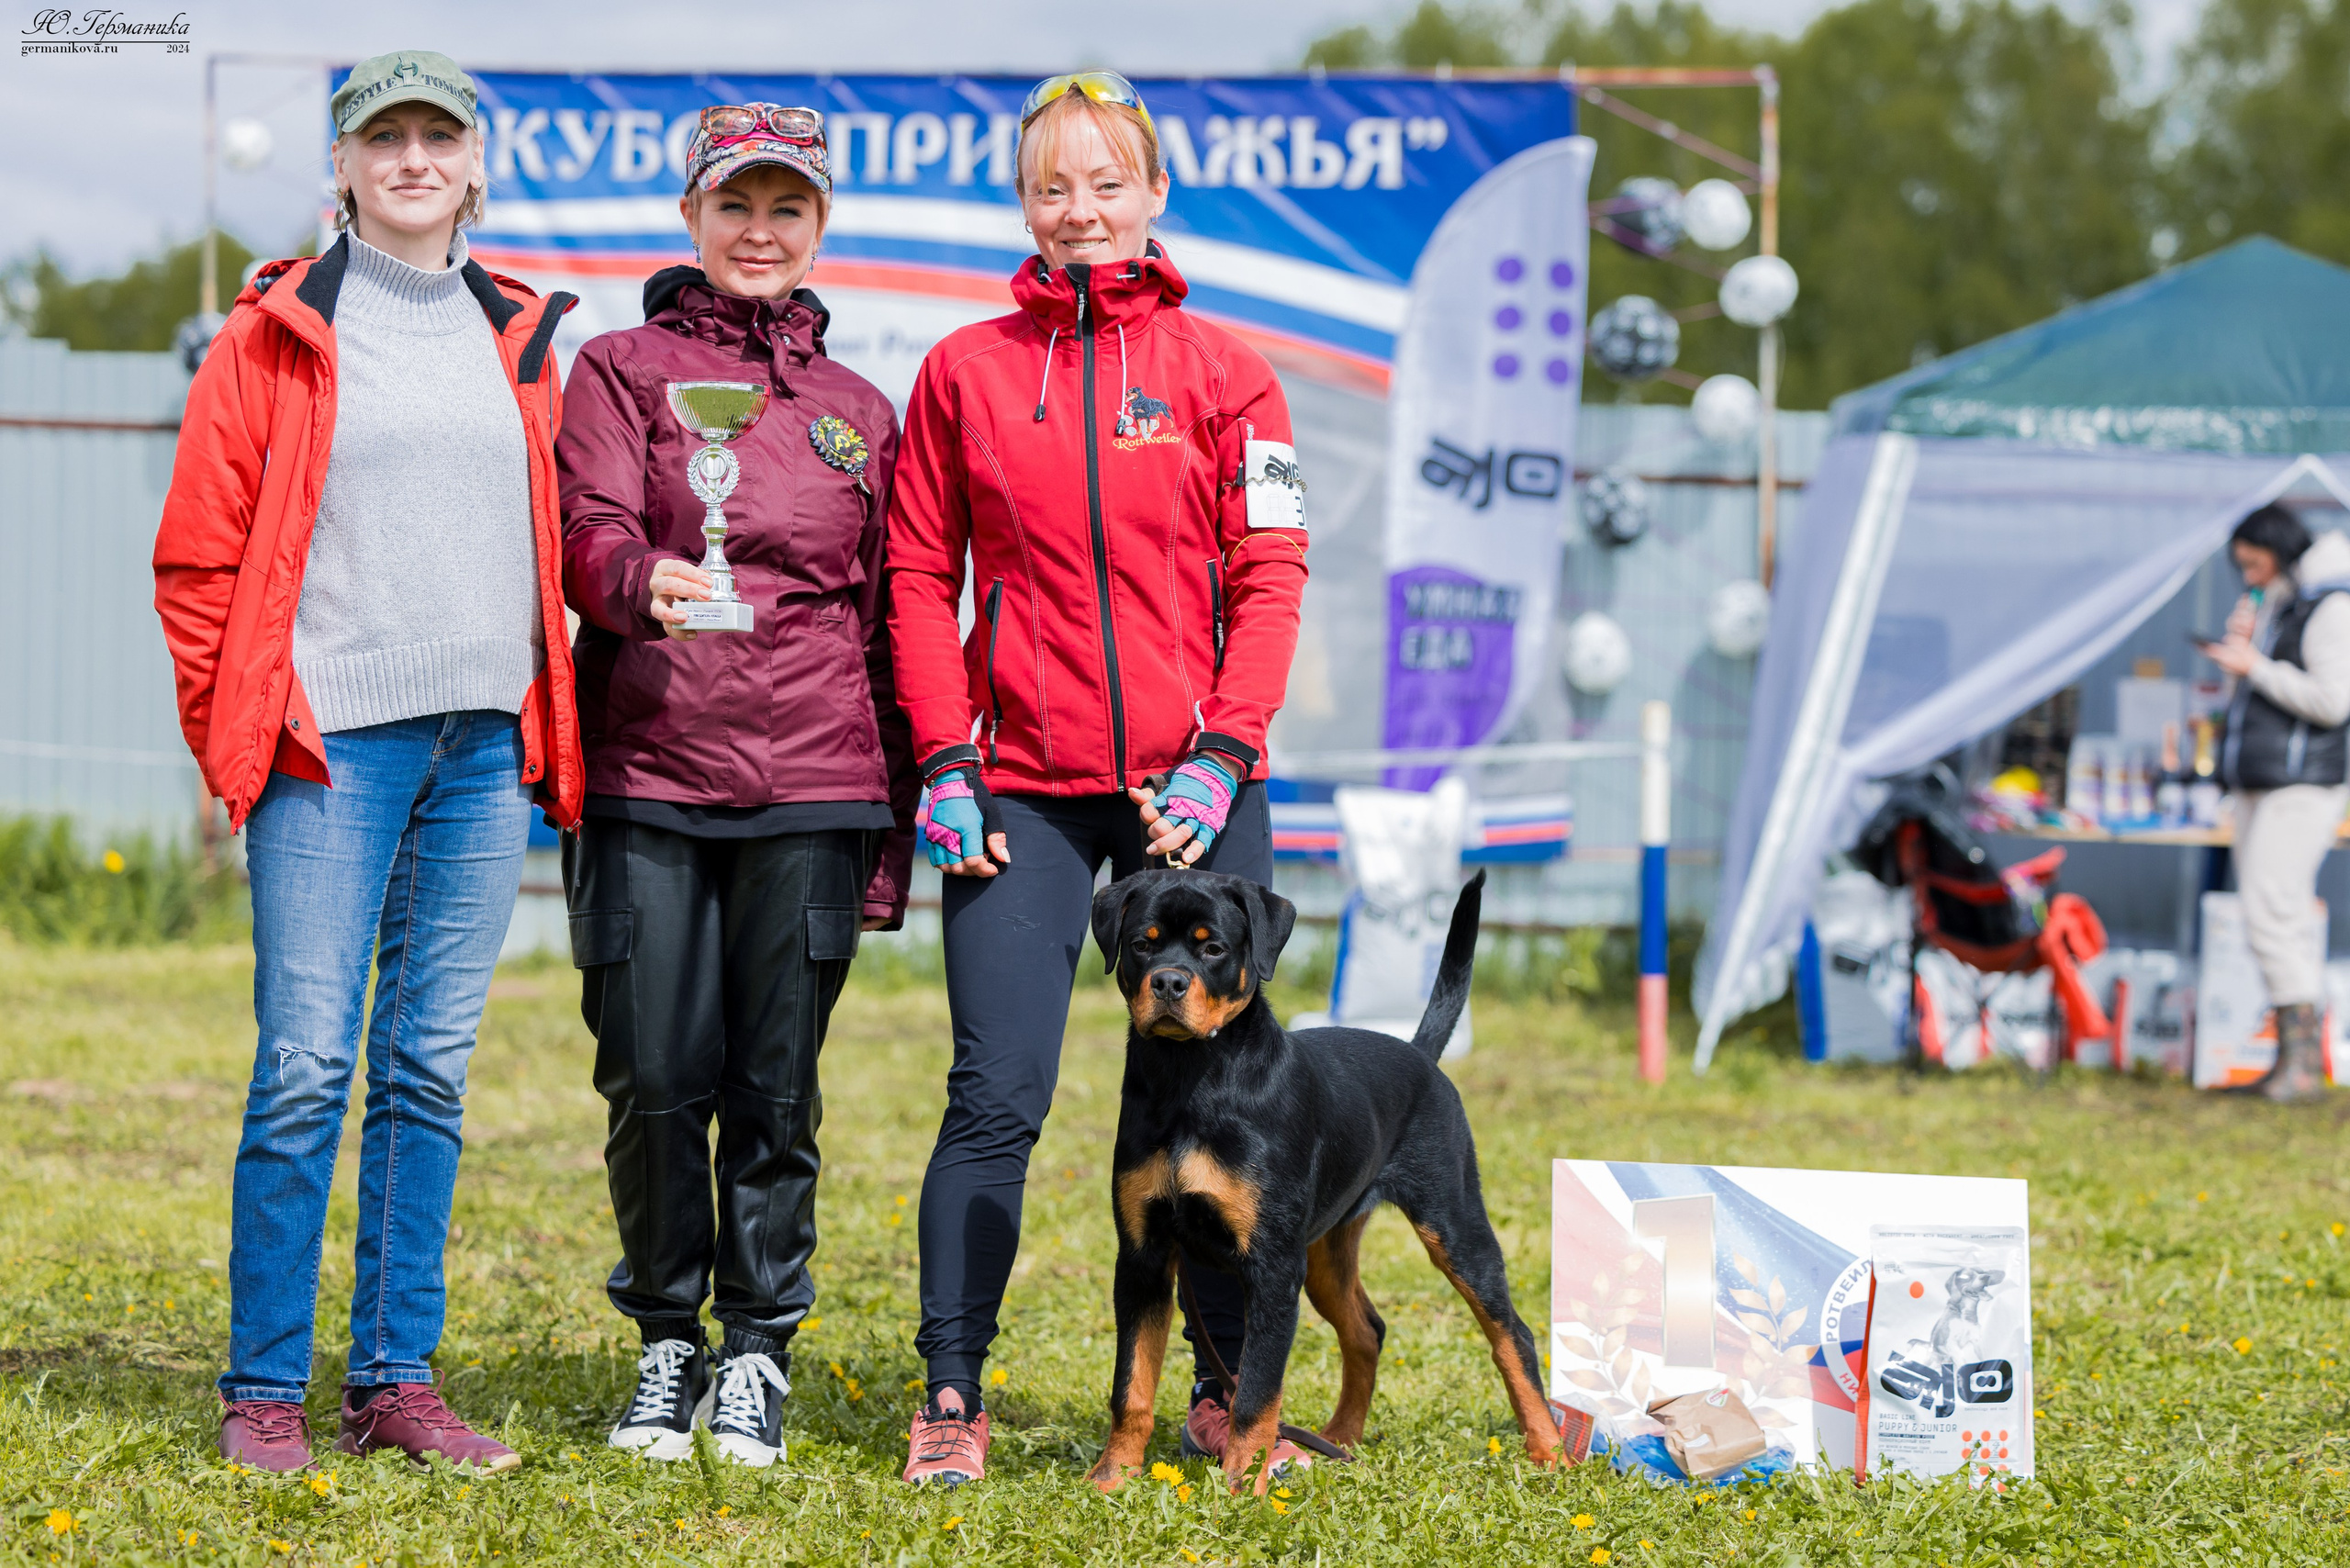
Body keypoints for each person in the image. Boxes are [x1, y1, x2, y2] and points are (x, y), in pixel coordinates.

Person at [152, 50, 584, 1473]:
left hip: (480, 742)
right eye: (380, 136)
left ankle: (395, 1380)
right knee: (306, 1060)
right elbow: (200, 559)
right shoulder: (269, 335)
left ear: (475, 166)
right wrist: (242, 728)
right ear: (340, 166)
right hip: (325, 747)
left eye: (435, 137)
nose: (410, 158)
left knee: (428, 1068)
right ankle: (264, 1388)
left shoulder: (519, 331)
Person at [885, 71, 1311, 1486]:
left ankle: (1215, 1394)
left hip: (1193, 788)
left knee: (1223, 1107)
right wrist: (945, 759)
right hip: (1019, 795)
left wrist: (1224, 753)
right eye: (1052, 186)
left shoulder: (1226, 372)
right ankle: (952, 1394)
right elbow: (911, 578)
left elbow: (1271, 574)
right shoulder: (964, 371)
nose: (1080, 211)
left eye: (1106, 183)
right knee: (995, 1094)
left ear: (1153, 196)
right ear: (1024, 202)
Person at [556, 105, 915, 1469]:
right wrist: (642, 579)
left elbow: (891, 622)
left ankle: (757, 1351)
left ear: (818, 229)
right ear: (693, 218)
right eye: (736, 205)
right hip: (648, 766)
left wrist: (886, 842)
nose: (759, 231)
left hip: (817, 783)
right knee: (654, 1075)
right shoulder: (619, 368)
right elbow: (587, 529)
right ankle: (665, 1345)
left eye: (787, 209)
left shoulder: (860, 412)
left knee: (776, 1085)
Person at [2207, 502, 2350, 1101]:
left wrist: (2257, 666)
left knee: (2274, 912)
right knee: (2270, 914)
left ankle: (2300, 1066)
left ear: (2281, 551)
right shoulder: (2284, 607)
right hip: (2262, 782)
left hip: (2304, 786)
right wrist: (2247, 652)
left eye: (2254, 563)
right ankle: (2290, 1062)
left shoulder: (2332, 608)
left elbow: (2333, 702)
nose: (2248, 576)